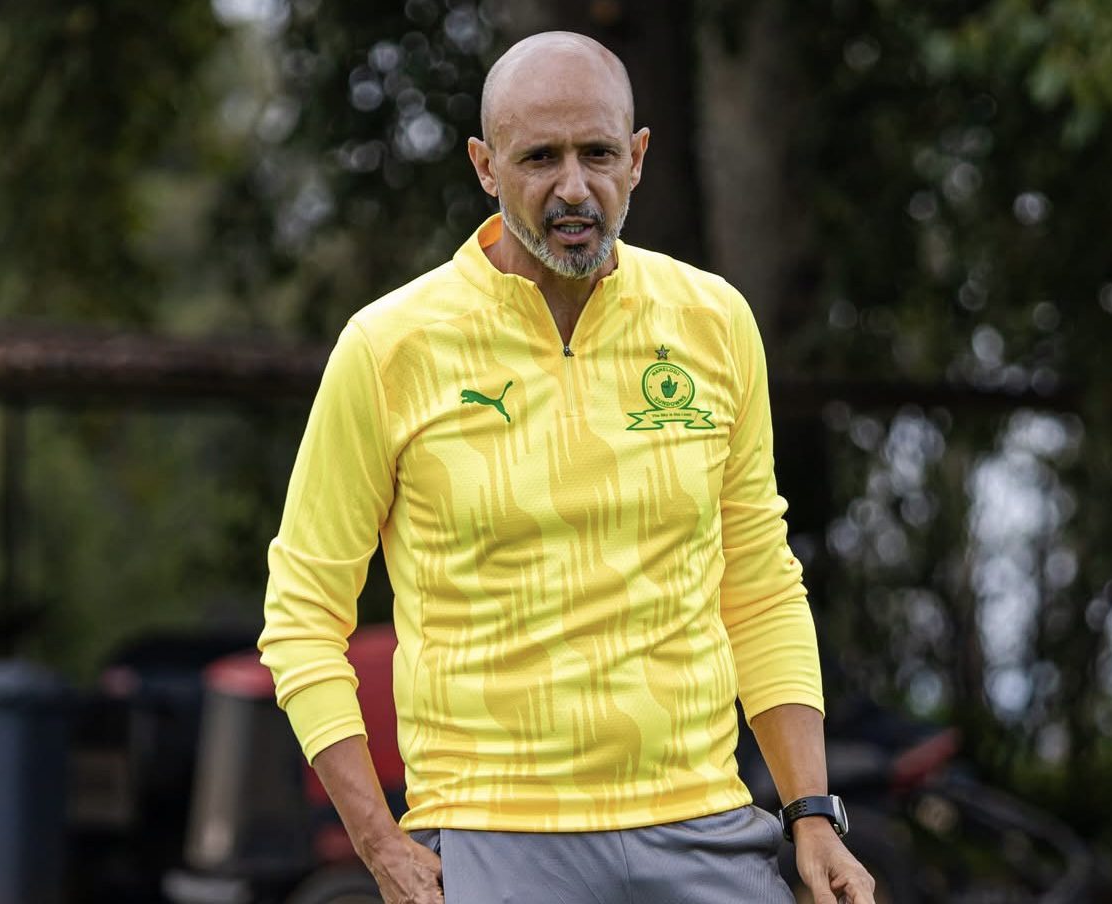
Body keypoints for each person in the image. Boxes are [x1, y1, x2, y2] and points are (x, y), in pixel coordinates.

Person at [258, 30, 875, 904]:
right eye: (540, 158)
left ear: (638, 157)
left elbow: (760, 584)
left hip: (704, 827)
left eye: (598, 154)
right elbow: (301, 615)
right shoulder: (389, 347)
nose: (574, 187)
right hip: (490, 837)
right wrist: (379, 841)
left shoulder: (714, 322)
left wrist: (810, 812)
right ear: (485, 166)